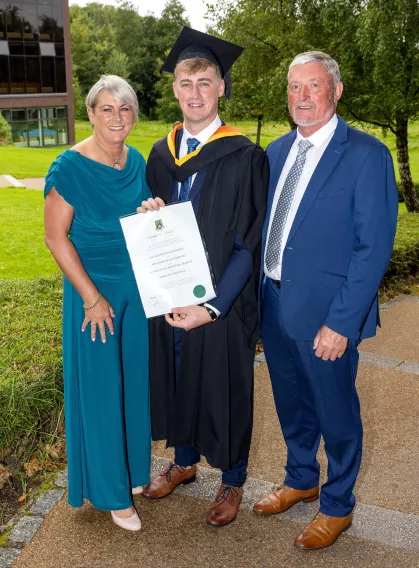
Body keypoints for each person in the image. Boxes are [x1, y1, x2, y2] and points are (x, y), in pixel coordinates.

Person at [253, 52, 398, 549]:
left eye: (314, 86)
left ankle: (337, 505)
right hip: (273, 303)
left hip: (326, 314)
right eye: (295, 87)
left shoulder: (366, 154)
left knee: (335, 412)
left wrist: (342, 321)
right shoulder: (274, 152)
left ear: (335, 91)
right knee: (290, 404)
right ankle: (300, 478)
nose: (303, 97)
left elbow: (373, 247)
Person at [137, 27, 269, 527]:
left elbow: (247, 243)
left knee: (224, 388)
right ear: (175, 89)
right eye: (186, 82)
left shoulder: (245, 156)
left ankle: (232, 478)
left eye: (205, 82)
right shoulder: (160, 154)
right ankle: (185, 462)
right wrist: (149, 211)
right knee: (175, 378)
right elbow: (149, 229)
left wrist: (211, 308)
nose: (195, 92)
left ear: (221, 89)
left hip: (220, 306)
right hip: (169, 298)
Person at [44, 75, 151, 531]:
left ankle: (131, 472)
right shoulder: (69, 167)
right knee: (103, 390)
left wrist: (154, 210)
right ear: (90, 113)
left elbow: (144, 214)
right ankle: (110, 494)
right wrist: (91, 298)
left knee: (132, 385)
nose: (117, 118)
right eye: (107, 109)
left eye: (125, 109)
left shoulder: (137, 160)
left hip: (136, 289)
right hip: (94, 294)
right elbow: (55, 238)